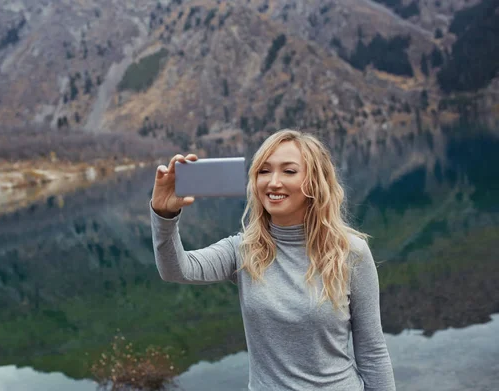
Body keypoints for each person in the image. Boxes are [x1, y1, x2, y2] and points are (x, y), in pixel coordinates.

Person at [150, 129, 395, 391]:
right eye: (264, 171)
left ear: (314, 181)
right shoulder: (243, 250)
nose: (273, 182)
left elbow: (372, 351)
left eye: (289, 171)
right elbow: (176, 270)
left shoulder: (350, 253)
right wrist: (164, 214)